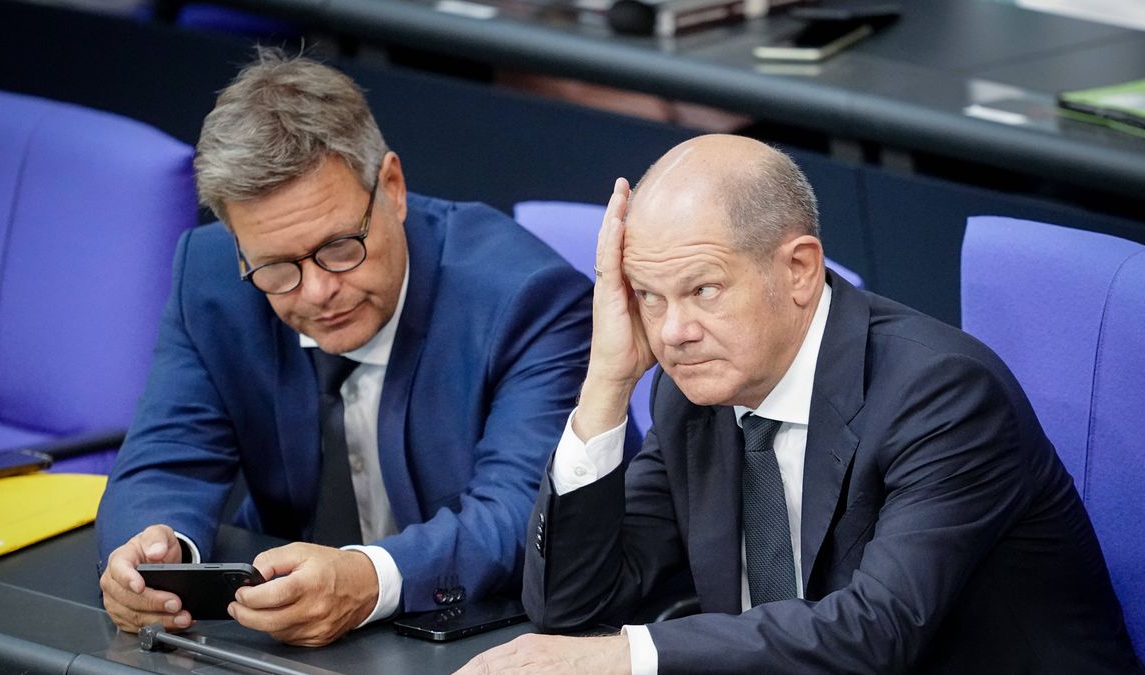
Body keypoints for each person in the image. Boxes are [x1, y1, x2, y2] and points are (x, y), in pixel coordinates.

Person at [459, 135, 1141, 673]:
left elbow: (875, 633)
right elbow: (573, 603)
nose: (671, 333)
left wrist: (629, 655)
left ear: (799, 269)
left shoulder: (943, 396)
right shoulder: (691, 393)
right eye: (649, 296)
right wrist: (606, 382)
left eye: (702, 290)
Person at [95, 49, 610, 646]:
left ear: (391, 187)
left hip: (463, 635)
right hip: (272, 629)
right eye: (275, 267)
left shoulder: (528, 299)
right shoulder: (210, 277)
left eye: (340, 247)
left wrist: (369, 579)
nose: (317, 293)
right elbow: (165, 459)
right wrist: (152, 558)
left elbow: (521, 516)